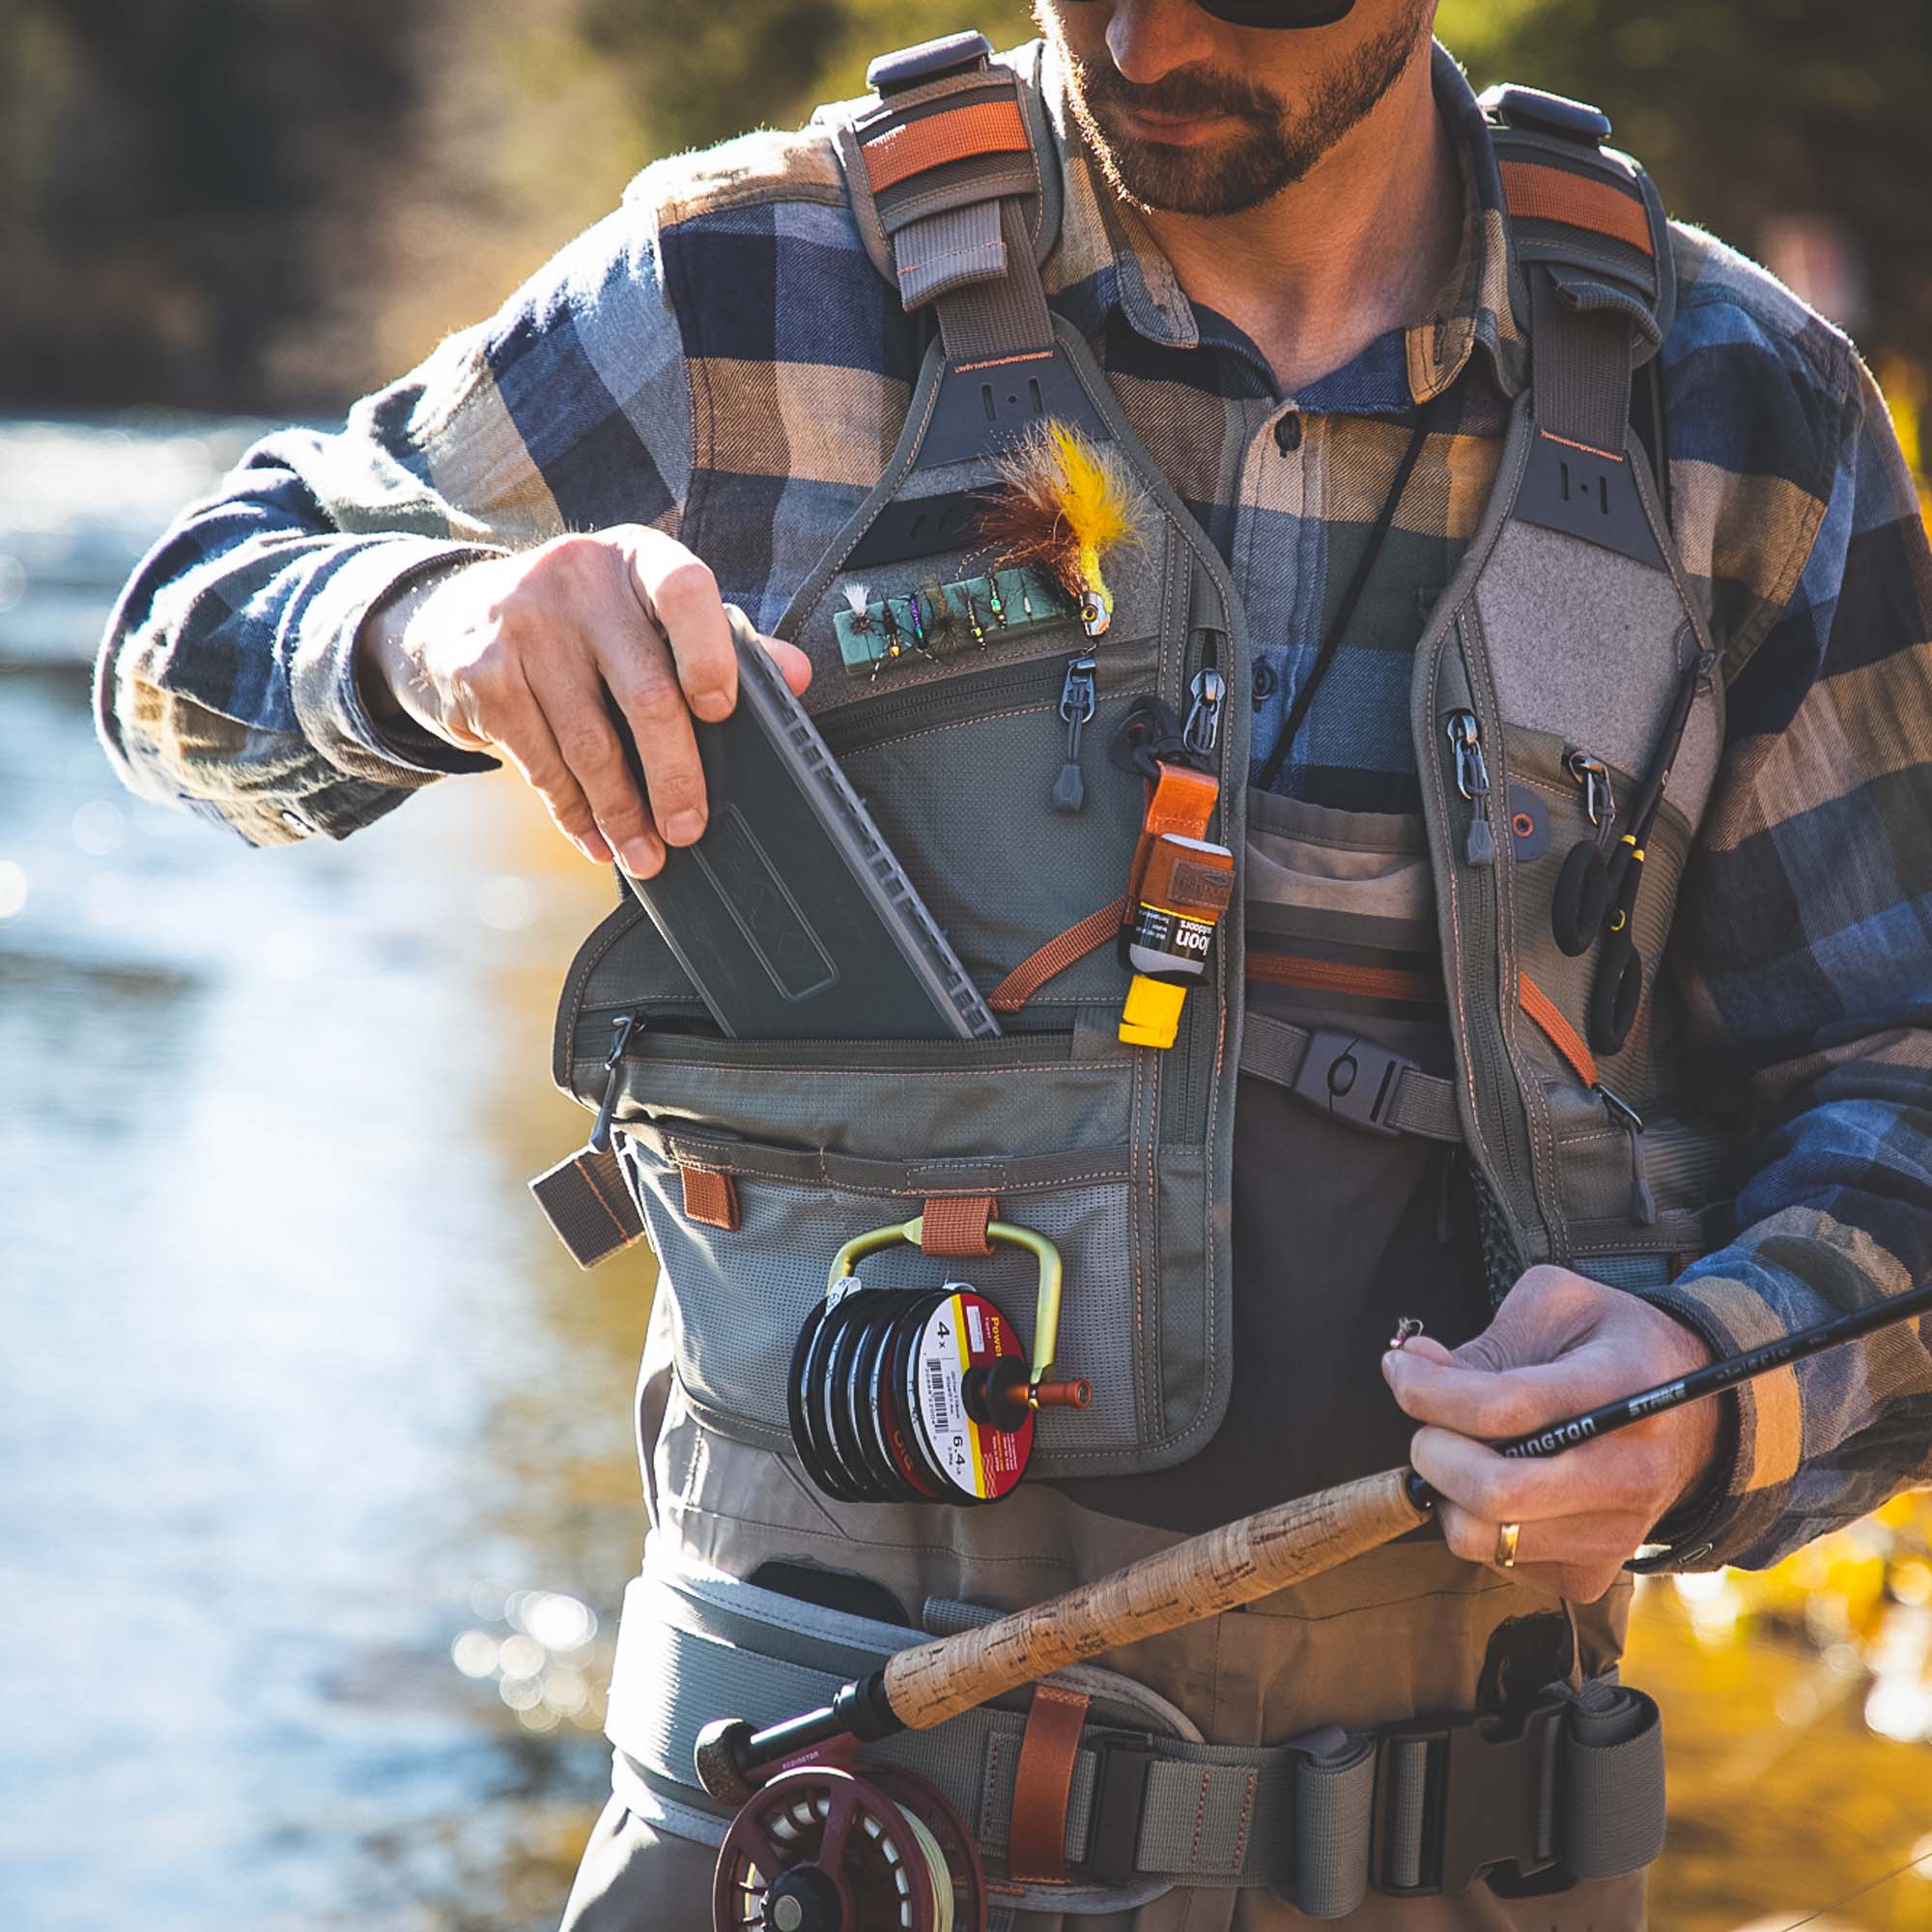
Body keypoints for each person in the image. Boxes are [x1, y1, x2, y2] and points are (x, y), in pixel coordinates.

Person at [96, 2, 1932, 1925]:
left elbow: (1895, 1079)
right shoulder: (748, 291)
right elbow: (185, 629)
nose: (1141, 34)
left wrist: (1723, 1389)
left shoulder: (1741, 420)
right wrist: (423, 617)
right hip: (807, 1845)